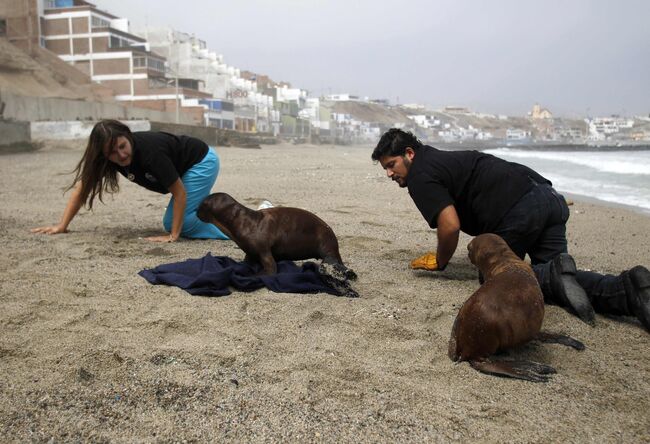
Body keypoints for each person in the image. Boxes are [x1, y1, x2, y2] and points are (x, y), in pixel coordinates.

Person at [371, 128, 650, 332]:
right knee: (560, 283)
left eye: (391, 165)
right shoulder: (442, 159)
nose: (389, 174)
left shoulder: (420, 174)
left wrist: (440, 261)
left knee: (500, 281)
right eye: (385, 168)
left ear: (409, 154)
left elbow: (450, 224)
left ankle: (554, 274)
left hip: (519, 210)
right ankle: (629, 290)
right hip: (547, 196)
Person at [32, 119, 228, 242]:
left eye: (122, 146)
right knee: (183, 218)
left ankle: (236, 230)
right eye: (112, 153)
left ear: (127, 135)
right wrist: (62, 226)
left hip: (201, 162)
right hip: (188, 166)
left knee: (175, 223)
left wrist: (173, 236)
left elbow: (179, 193)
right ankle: (231, 217)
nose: (122, 155)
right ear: (103, 154)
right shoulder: (106, 159)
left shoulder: (151, 153)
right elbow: (81, 190)